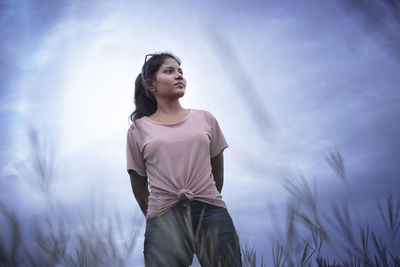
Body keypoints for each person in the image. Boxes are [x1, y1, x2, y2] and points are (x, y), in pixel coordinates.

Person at [126, 52, 242, 267]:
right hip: (164, 218)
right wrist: (158, 214)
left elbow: (217, 171)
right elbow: (138, 183)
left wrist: (205, 198)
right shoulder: (138, 129)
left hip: (211, 212)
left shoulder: (205, 118)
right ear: (151, 85)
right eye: (169, 71)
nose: (179, 76)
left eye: (181, 72)